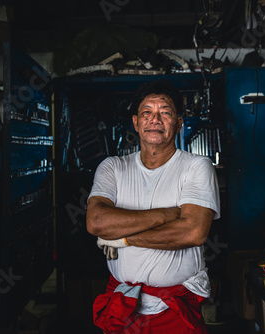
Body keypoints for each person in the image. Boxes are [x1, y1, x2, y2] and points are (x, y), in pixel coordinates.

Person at [86, 79, 221, 334]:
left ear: (179, 123)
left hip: (175, 308)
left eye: (165, 113)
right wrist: (167, 215)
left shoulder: (196, 167)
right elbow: (96, 222)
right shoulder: (113, 167)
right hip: (123, 303)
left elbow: (193, 232)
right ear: (136, 122)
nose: (155, 119)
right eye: (147, 112)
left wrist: (123, 239)